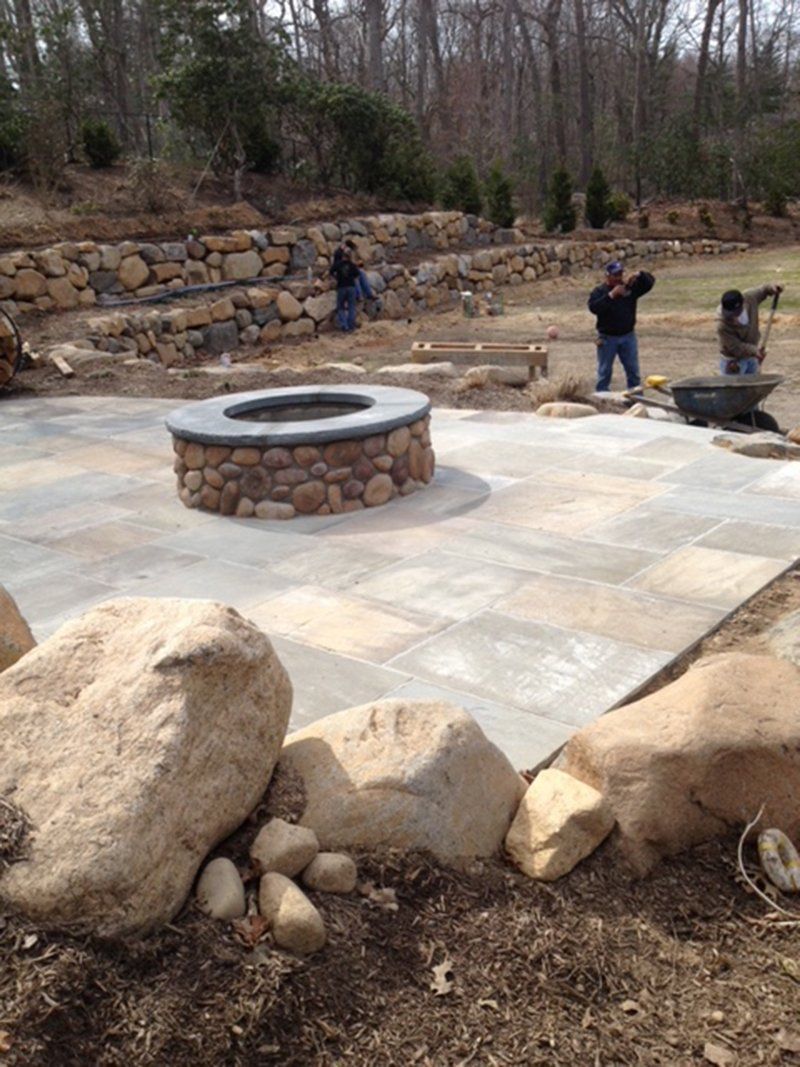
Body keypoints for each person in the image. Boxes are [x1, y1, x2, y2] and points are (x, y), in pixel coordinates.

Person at [588, 261, 655, 392]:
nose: (618, 278)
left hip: (628, 336)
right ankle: (602, 397)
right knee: (604, 372)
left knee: (633, 371)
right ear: (607, 276)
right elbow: (594, 308)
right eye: (615, 275)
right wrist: (611, 296)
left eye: (620, 274)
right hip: (607, 338)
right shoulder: (599, 291)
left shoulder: (629, 288)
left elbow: (649, 283)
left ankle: (635, 398)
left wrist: (639, 275)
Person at [717, 283, 783, 375]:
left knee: (754, 383)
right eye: (730, 314)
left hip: (751, 358)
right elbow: (735, 347)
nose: (733, 317)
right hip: (734, 362)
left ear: (742, 304)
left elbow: (763, 290)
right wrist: (755, 351)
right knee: (734, 385)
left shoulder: (749, 298)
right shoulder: (722, 325)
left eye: (735, 313)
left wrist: (772, 288)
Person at [329, 246, 360, 332]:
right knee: (351, 307)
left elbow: (331, 271)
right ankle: (351, 326)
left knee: (340, 307)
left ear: (343, 256)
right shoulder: (352, 265)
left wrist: (336, 278)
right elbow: (357, 275)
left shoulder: (338, 264)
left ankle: (344, 326)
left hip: (341, 287)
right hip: (351, 287)